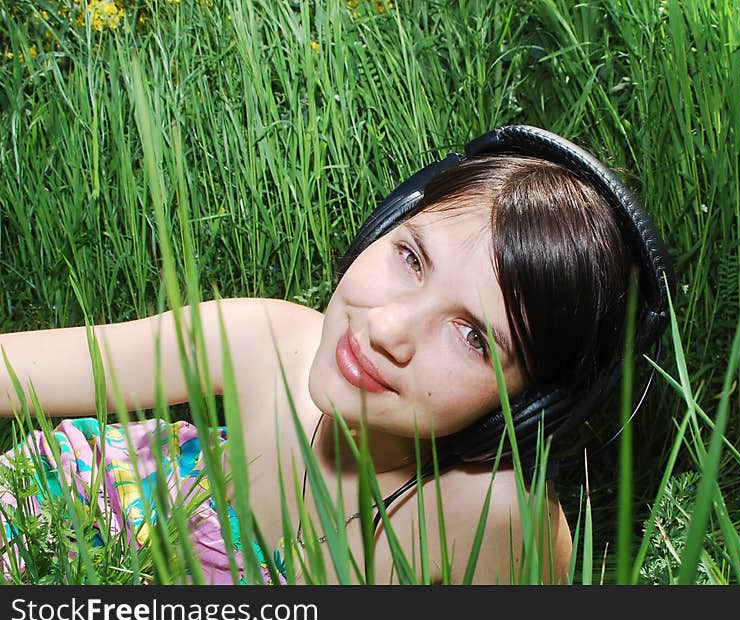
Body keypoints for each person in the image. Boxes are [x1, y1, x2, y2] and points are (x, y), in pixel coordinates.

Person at [0, 126, 673, 585]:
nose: (387, 328)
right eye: (410, 257)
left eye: (474, 336)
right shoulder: (258, 342)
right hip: (99, 507)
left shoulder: (498, 516)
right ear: (382, 225)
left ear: (529, 405)